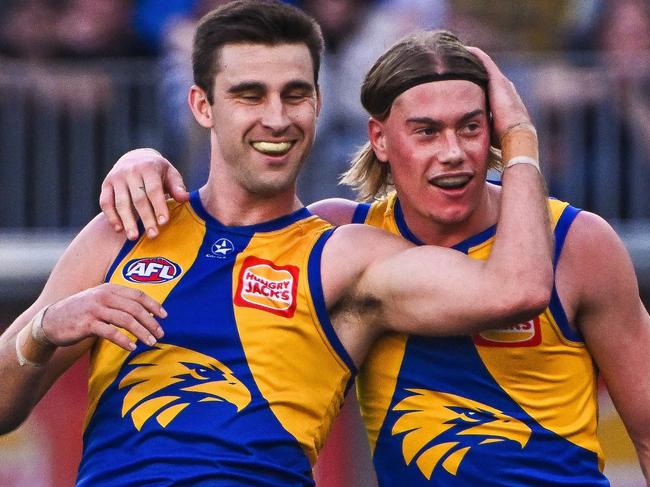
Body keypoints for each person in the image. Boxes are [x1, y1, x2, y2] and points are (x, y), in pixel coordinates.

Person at [0, 3, 552, 486]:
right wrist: (43, 331)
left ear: (317, 101)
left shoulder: (343, 256)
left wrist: (518, 136)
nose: (276, 118)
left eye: (295, 95)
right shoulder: (128, 227)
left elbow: (519, 288)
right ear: (202, 106)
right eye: (248, 95)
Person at [100, 29, 650, 485]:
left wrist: (523, 140)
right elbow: (229, 231)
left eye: (472, 127)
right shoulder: (339, 235)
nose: (453, 152)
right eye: (426, 131)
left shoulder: (578, 243)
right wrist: (141, 160)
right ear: (381, 139)